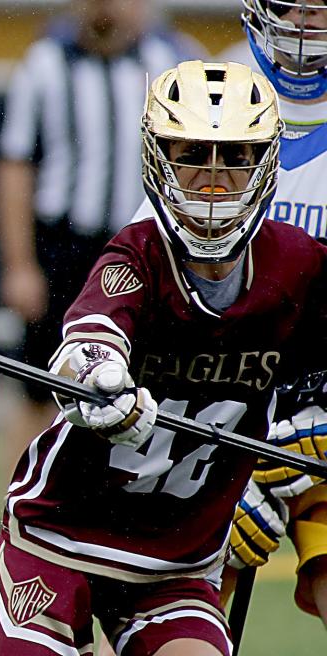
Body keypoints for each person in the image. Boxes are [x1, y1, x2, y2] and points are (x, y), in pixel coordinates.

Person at [0, 60, 327, 655]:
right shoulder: (137, 254)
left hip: (175, 565)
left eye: (237, 157)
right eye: (192, 152)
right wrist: (101, 385)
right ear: (157, 158)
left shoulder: (300, 265)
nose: (214, 181)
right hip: (60, 539)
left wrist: (296, 443)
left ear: (267, 163)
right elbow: (87, 344)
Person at [132, 1, 327, 629]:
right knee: (167, 612)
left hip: (322, 410)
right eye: (290, 5)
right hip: (212, 399)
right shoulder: (215, 88)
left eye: (320, 8)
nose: (304, 22)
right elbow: (147, 266)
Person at [0, 0, 202, 488]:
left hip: (152, 247)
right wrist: (20, 264)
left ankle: (147, 505)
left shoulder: (174, 63)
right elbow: (16, 165)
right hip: (66, 245)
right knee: (40, 386)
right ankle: (16, 507)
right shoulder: (44, 63)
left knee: (154, 383)